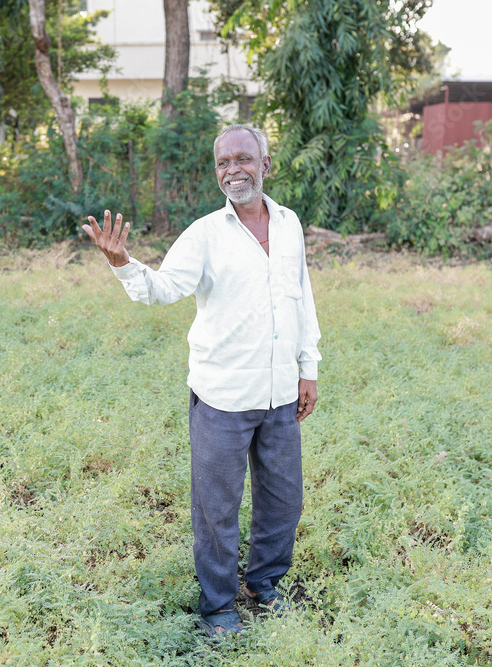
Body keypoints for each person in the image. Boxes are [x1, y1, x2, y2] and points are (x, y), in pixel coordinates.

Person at [81, 123, 321, 637]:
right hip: (222, 397)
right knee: (217, 508)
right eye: (223, 163)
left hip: (280, 393)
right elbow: (162, 289)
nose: (233, 169)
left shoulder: (290, 224)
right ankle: (218, 606)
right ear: (217, 173)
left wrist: (308, 369)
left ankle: (264, 584)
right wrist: (124, 265)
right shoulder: (205, 234)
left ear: (264, 164)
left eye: (243, 158)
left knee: (284, 500)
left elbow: (302, 296)